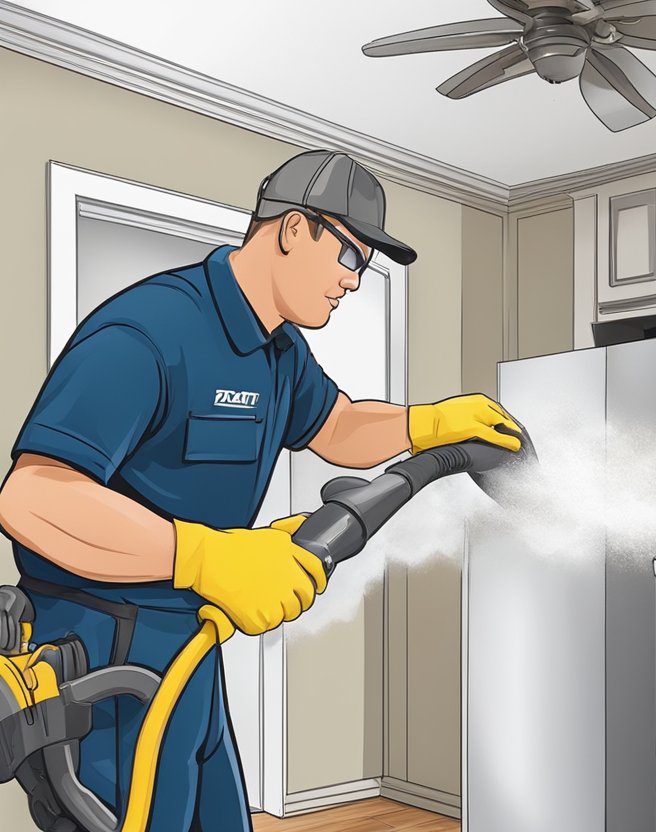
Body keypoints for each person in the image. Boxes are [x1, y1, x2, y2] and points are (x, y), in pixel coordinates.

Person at [0, 149, 520, 831]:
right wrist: (211, 558)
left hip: (192, 641)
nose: (353, 282)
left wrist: (426, 425)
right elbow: (34, 498)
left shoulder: (279, 351)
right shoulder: (150, 329)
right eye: (350, 257)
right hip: (107, 652)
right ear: (292, 229)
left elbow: (336, 428)